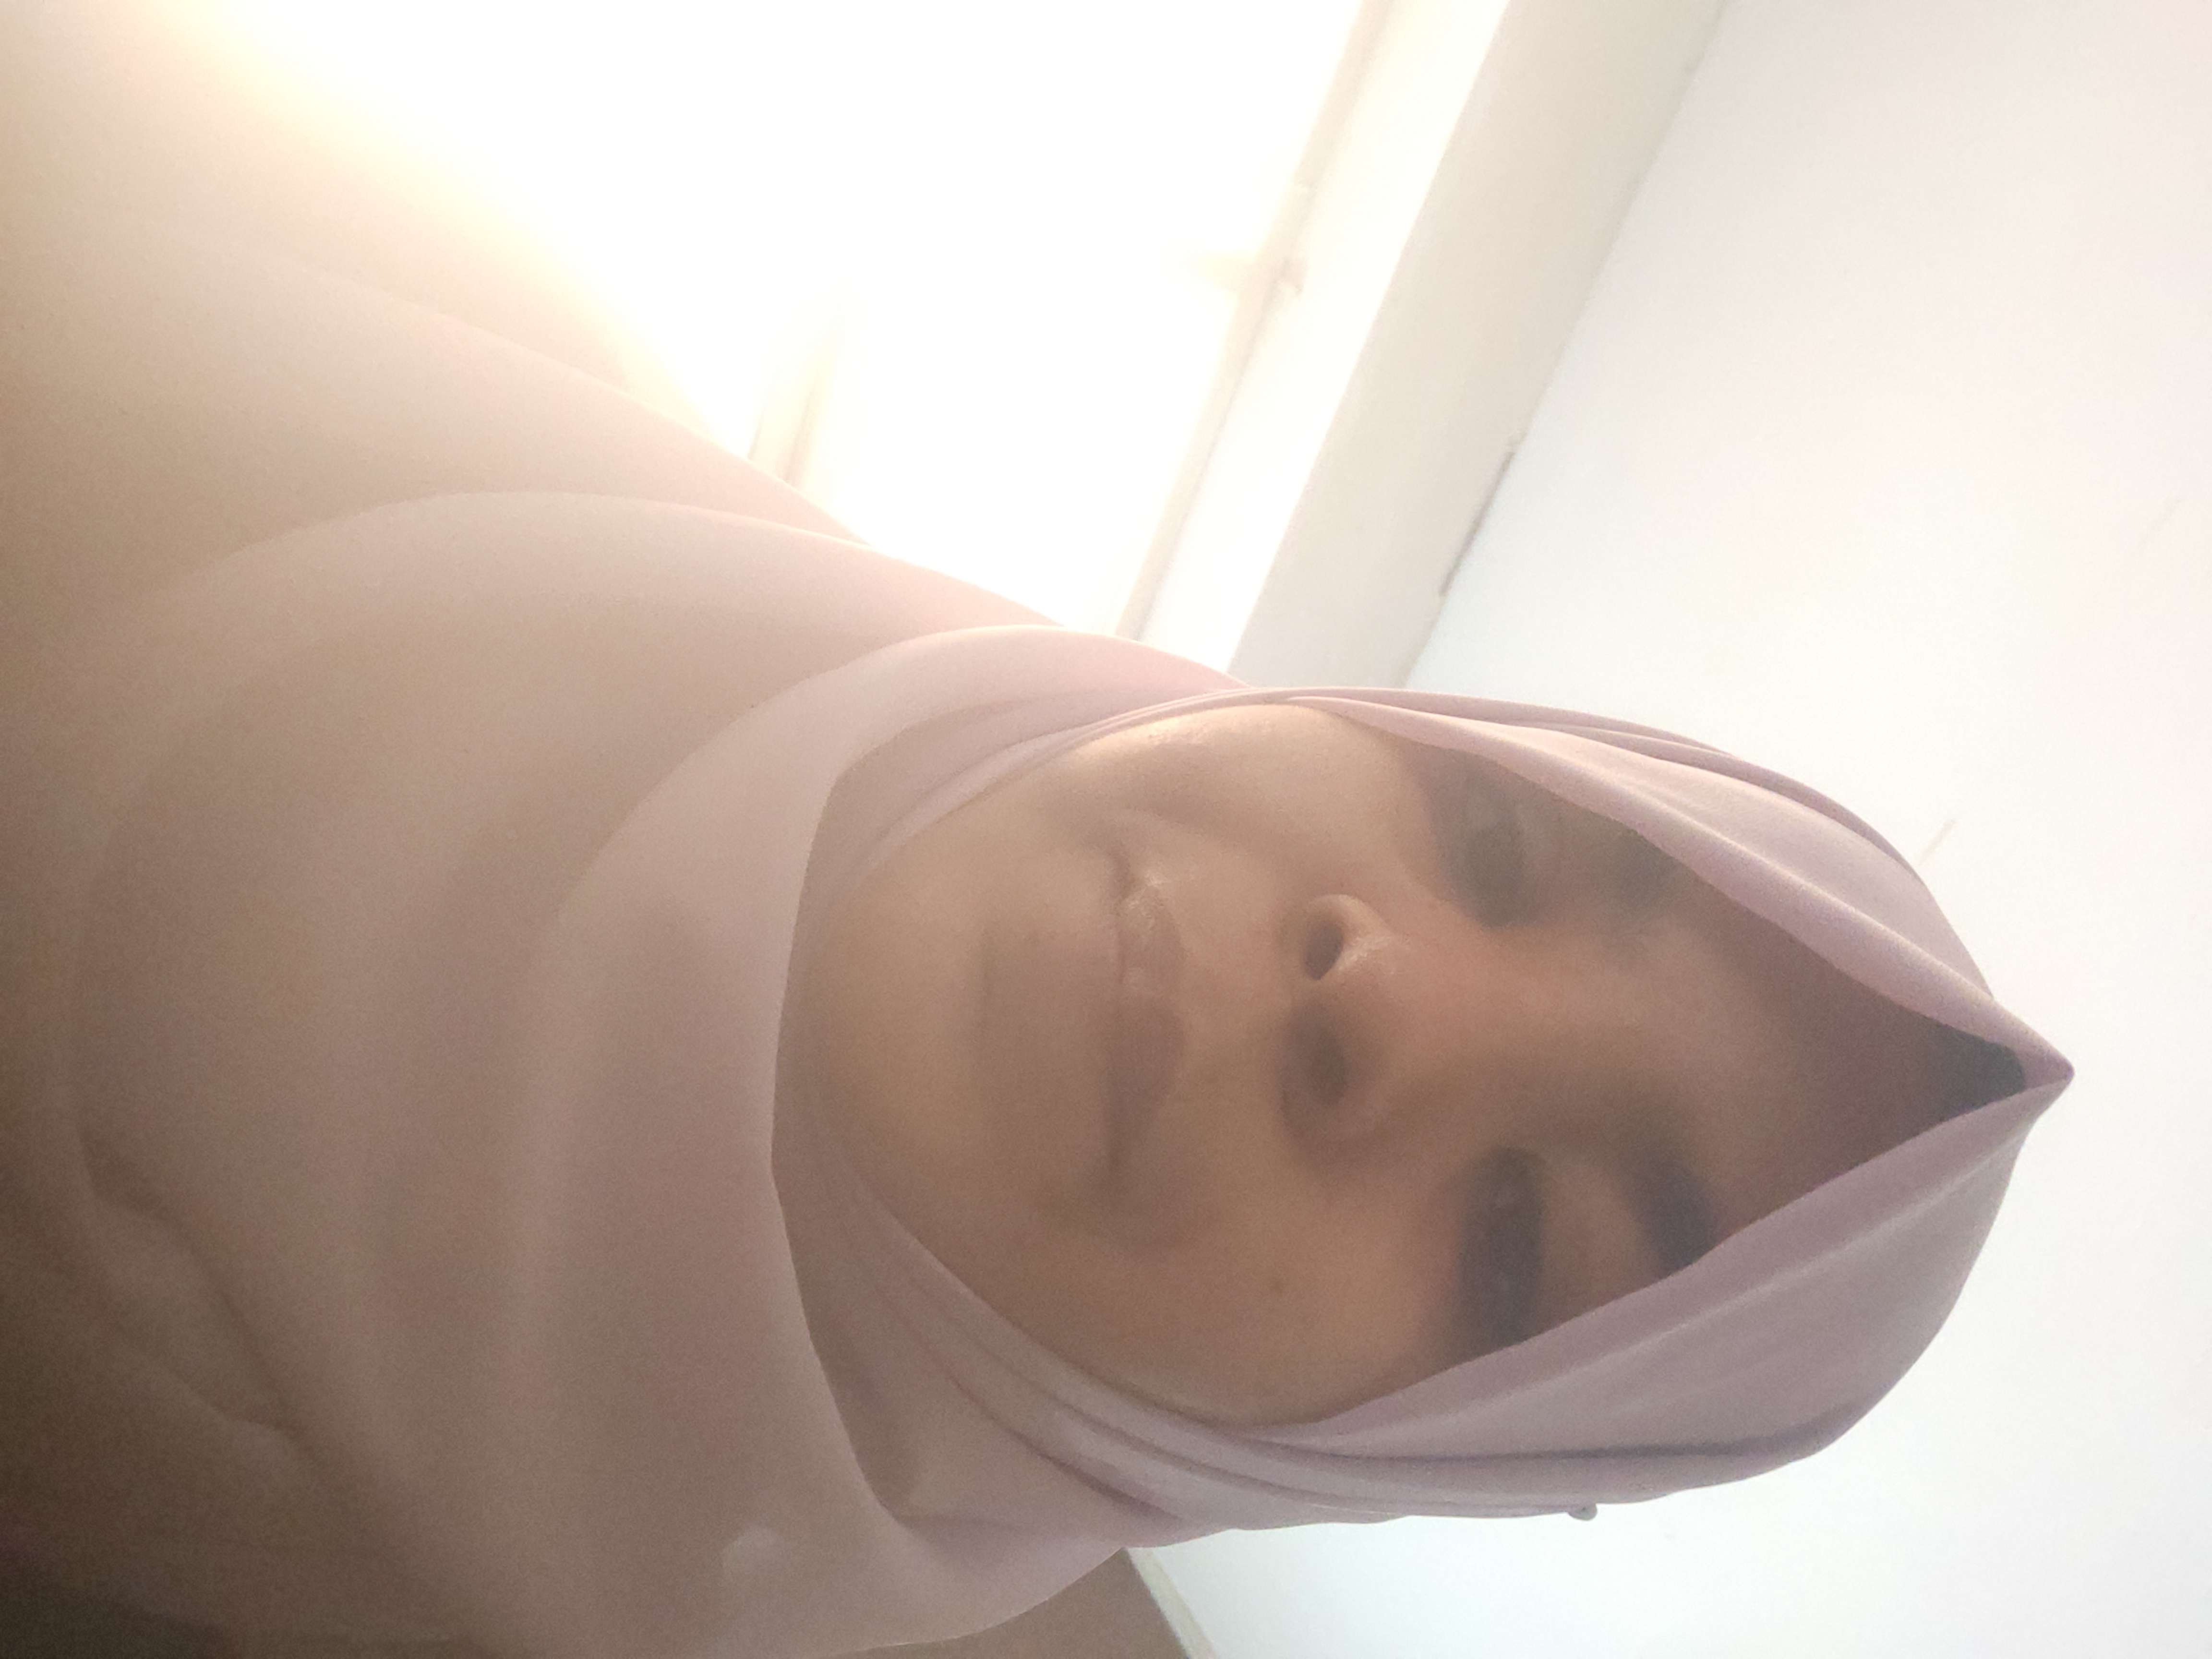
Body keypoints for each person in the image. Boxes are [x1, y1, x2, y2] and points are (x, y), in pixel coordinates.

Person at [1, 12, 2069, 1657]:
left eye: (1519, 1244)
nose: (1389, 996)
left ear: (1347, 1458)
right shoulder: (334, 240)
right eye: (1493, 842)